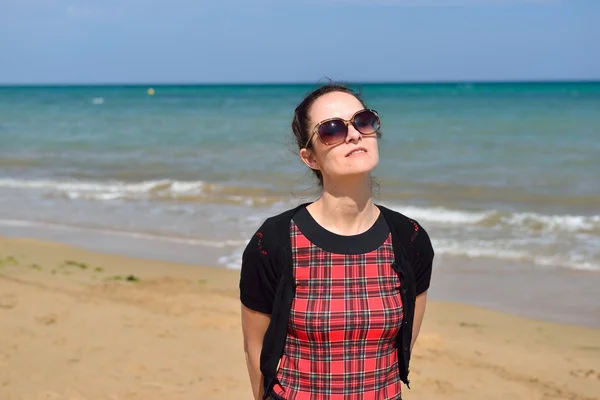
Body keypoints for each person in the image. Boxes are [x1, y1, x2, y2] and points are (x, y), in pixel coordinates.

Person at [239, 82, 434, 400]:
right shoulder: (273, 241)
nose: (355, 134)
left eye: (363, 120)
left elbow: (403, 347)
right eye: (332, 130)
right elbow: (255, 348)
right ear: (310, 158)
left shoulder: (409, 238)